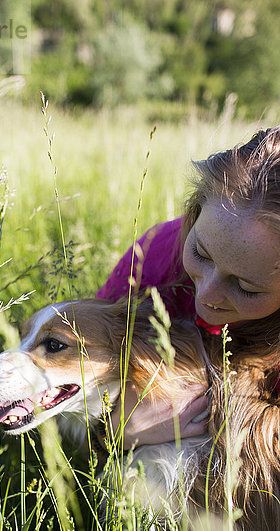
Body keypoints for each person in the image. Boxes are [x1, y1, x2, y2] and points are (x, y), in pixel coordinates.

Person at [96, 126, 280, 449]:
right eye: (200, 253)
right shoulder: (154, 255)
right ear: (194, 213)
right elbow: (79, 372)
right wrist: (111, 431)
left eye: (246, 287)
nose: (206, 295)